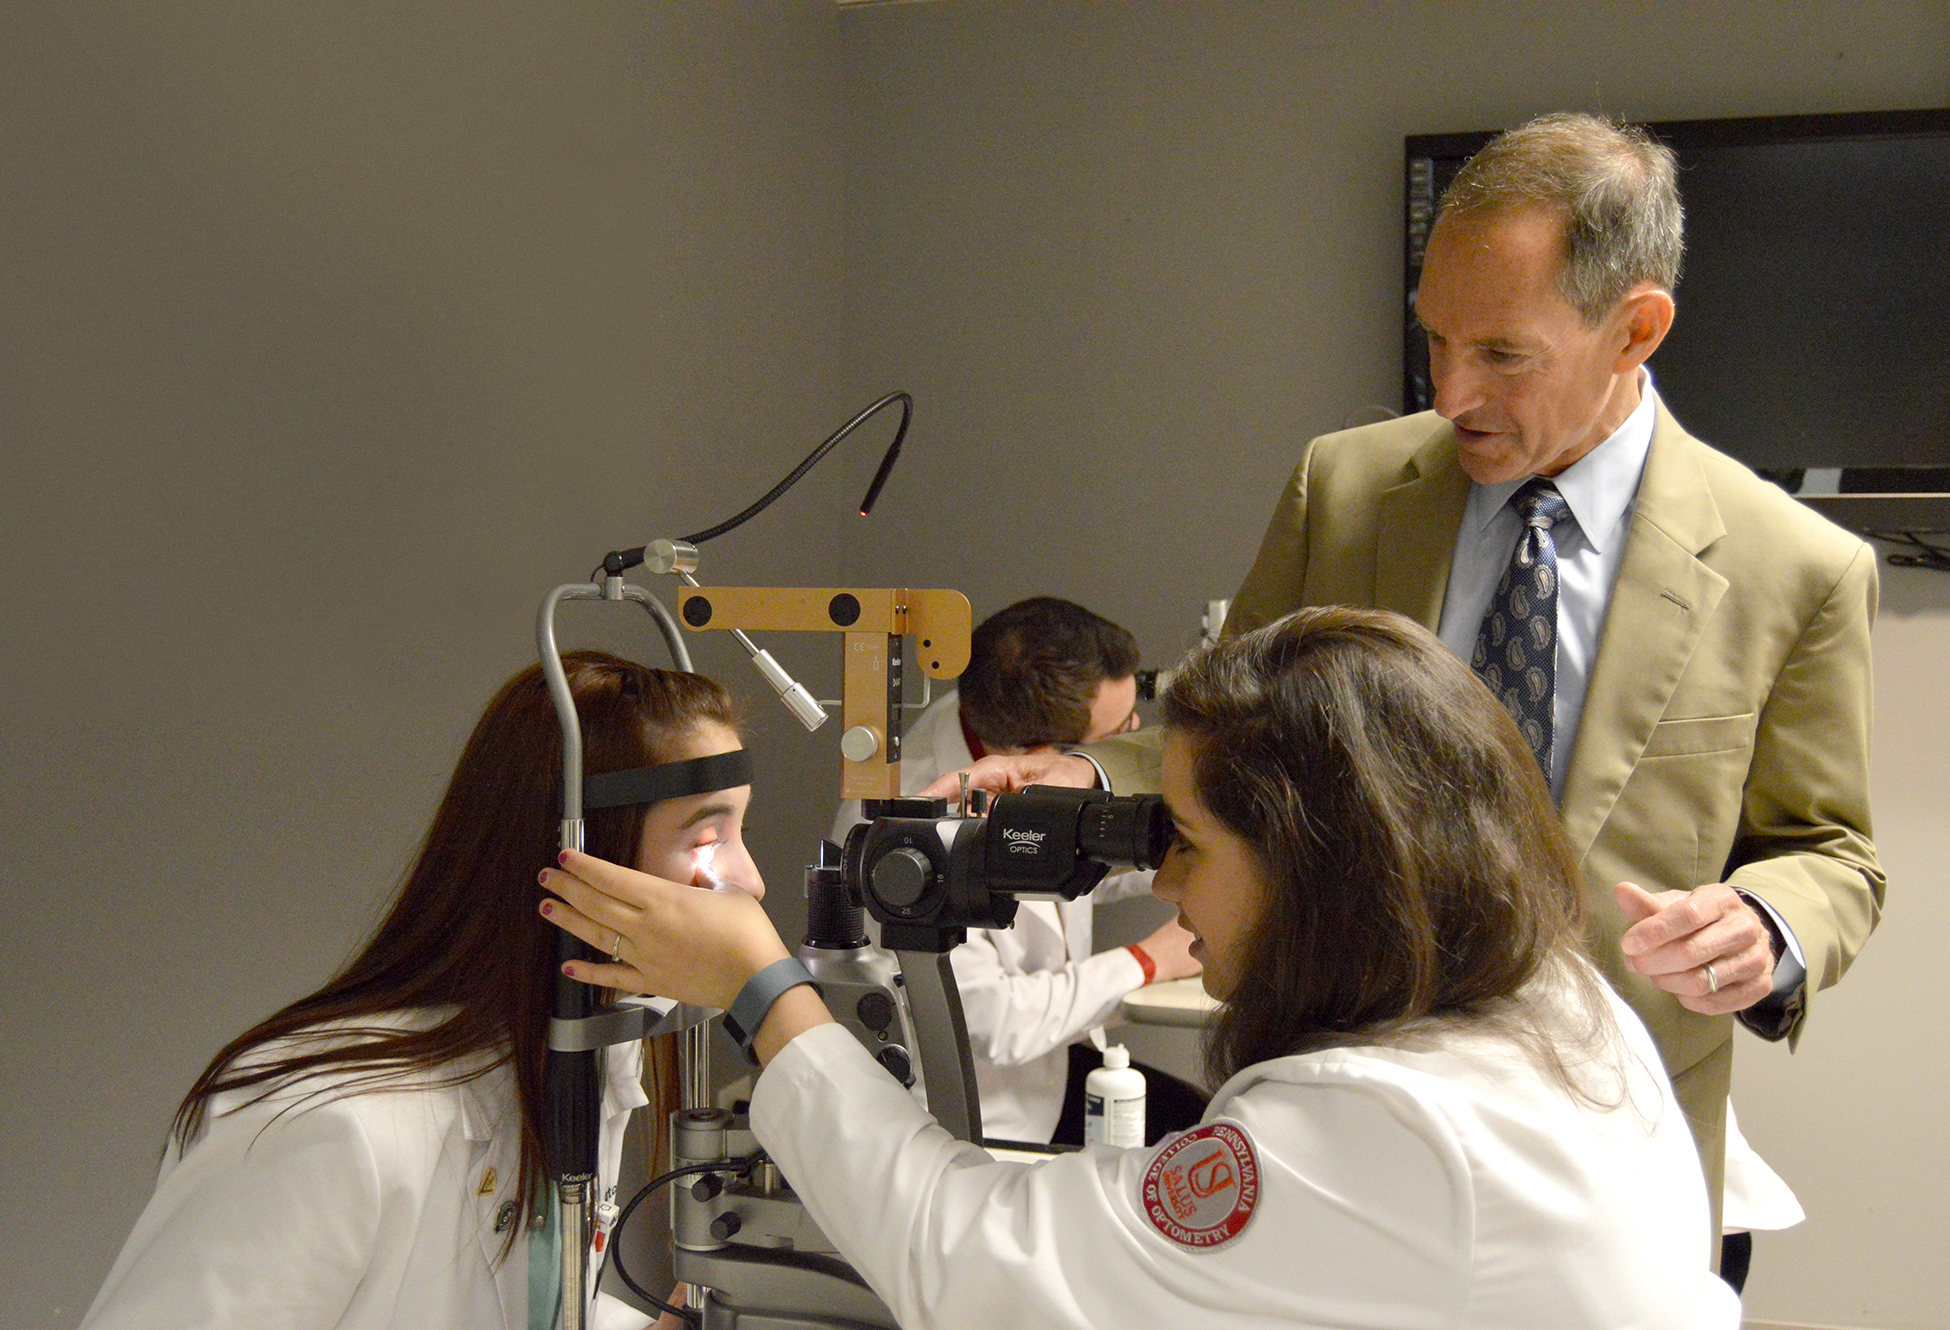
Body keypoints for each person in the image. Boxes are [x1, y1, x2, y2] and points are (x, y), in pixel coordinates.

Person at [932, 112, 1881, 1281]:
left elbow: (1829, 853)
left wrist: (1769, 924)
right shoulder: (1344, 487)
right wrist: (1081, 771)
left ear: (1633, 328)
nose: (1449, 389)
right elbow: (1210, 727)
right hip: (1325, 1136)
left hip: (1611, 1168)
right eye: (1432, 339)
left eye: (1501, 353)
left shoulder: (1797, 568)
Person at [542, 608, 1740, 1328]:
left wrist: (762, 988)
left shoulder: (1377, 1126)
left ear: (1319, 868)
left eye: (1192, 846)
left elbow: (968, 1258)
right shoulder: (1556, 998)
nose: (1162, 884)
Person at [81, 652, 758, 1330]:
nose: (749, 883)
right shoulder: (327, 1128)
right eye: (707, 838)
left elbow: (527, 1298)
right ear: (580, 857)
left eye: (740, 832)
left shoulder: (582, 1058)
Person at [830, 596, 1201, 1143]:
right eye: (1120, 732)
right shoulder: (913, 831)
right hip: (965, 1117)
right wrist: (1149, 961)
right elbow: (997, 1020)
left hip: (1043, 1076)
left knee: (1196, 1117)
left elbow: (1063, 864)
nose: (1138, 729)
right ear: (1045, 753)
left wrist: (1189, 852)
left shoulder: (982, 713)